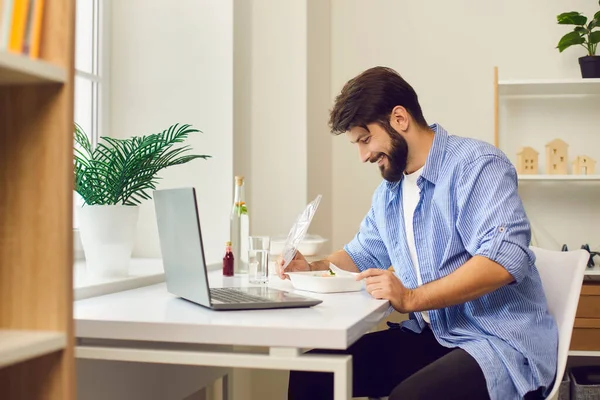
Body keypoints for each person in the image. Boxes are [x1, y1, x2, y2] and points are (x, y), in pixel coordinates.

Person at [279, 66, 558, 400]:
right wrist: (309, 268)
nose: (364, 155)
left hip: (497, 341)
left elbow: (504, 260)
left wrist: (410, 298)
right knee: (313, 374)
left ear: (399, 118)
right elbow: (359, 254)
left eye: (366, 140)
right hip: (435, 335)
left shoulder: (477, 165)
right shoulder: (390, 192)